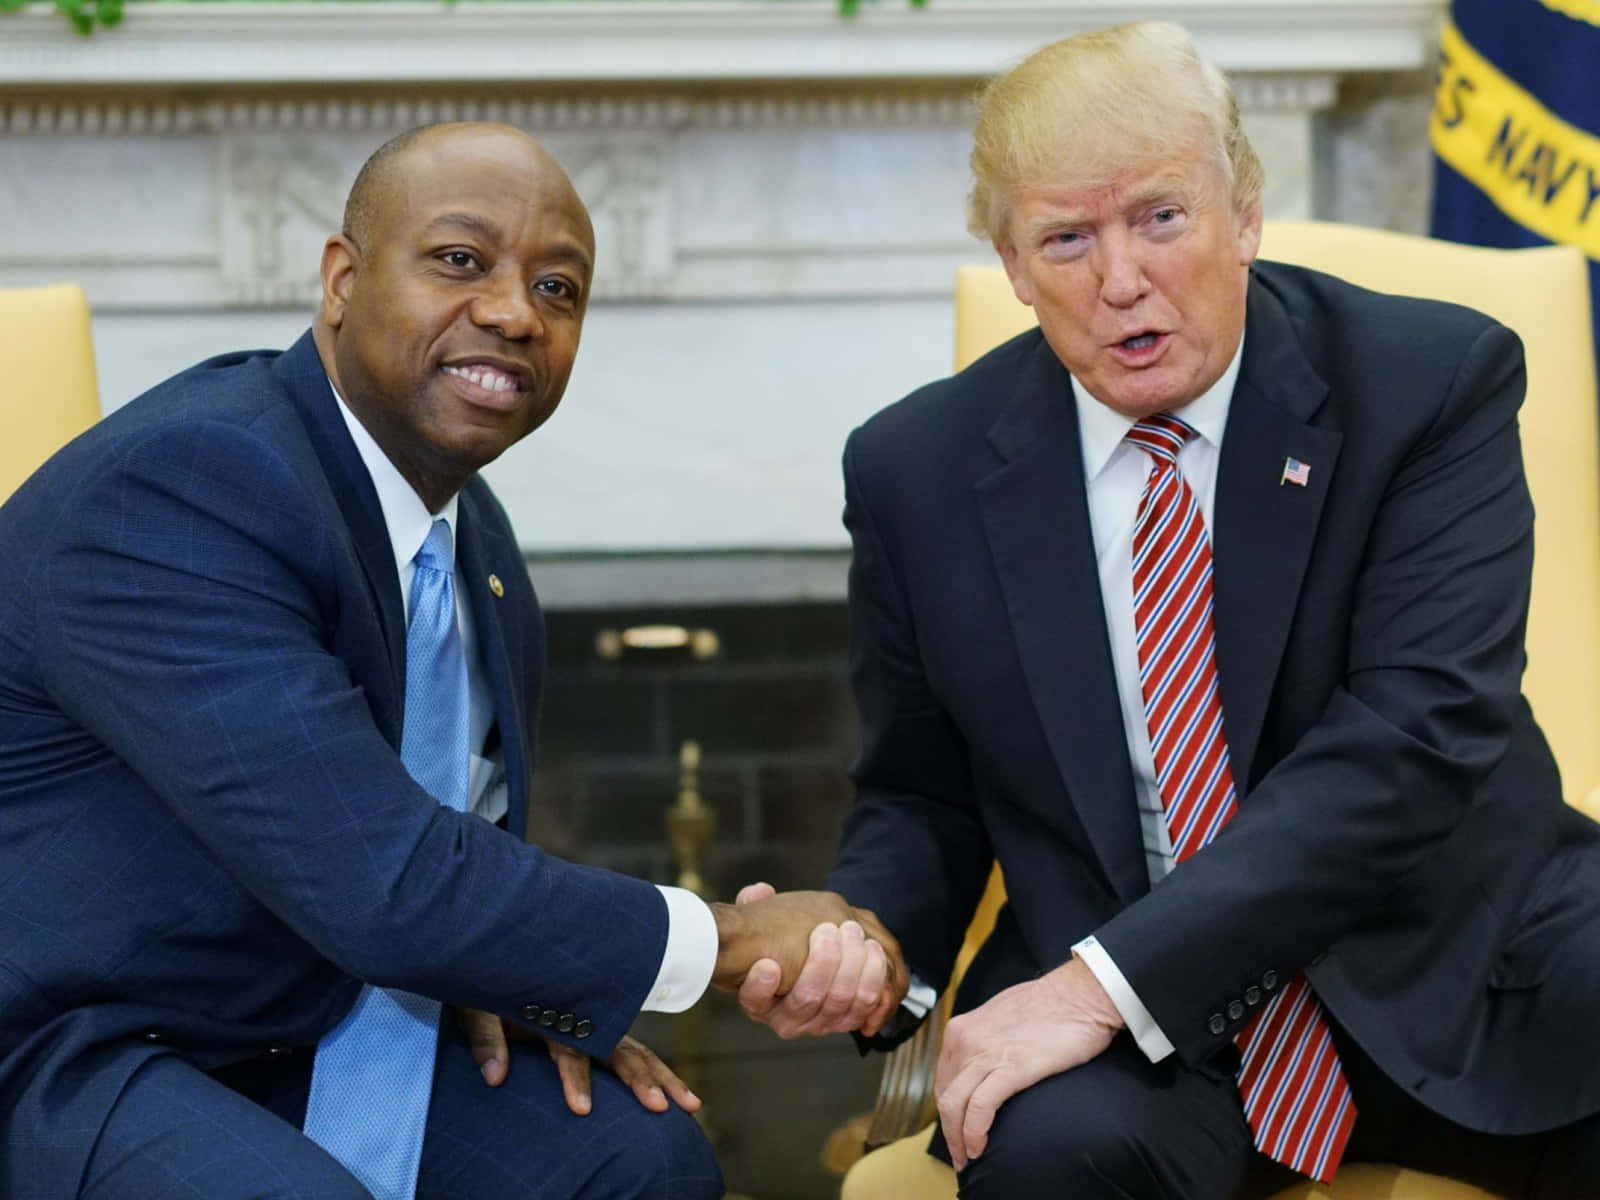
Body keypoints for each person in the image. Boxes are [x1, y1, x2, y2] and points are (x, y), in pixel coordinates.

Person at [0, 122, 902, 1200]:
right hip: (78, 1041)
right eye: (460, 261)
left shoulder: (475, 549)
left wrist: (524, 979)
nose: (516, 313)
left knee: (638, 1158)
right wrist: (745, 934)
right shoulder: (188, 486)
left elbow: (450, 865)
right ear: (341, 278)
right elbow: (388, 882)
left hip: (319, 1012)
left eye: (559, 289)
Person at [820, 21, 1600, 1199]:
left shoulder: (1428, 384)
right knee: (1037, 1157)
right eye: (1068, 239)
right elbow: (922, 794)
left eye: (1161, 217)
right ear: (1013, 262)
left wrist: (1096, 987)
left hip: (1449, 955)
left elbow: (1413, 742)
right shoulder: (912, 471)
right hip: (1145, 1026)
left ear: (1243, 211)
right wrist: (867, 945)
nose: (1120, 279)